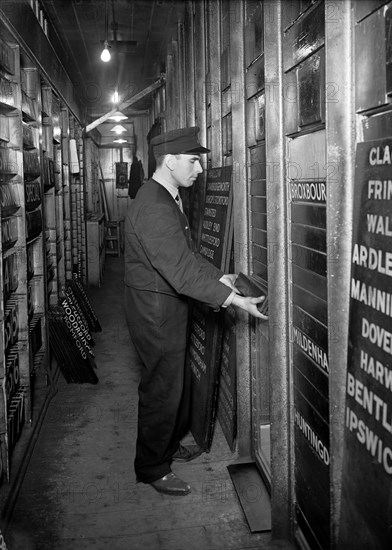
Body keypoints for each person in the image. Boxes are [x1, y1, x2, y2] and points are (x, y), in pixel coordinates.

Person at [124, 126, 267, 496]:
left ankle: (166, 447)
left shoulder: (164, 196)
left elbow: (185, 257)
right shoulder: (155, 205)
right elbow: (180, 270)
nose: (200, 169)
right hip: (157, 313)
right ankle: (152, 467)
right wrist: (232, 299)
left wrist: (222, 276)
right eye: (193, 161)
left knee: (172, 384)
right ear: (170, 161)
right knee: (162, 388)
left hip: (165, 306)